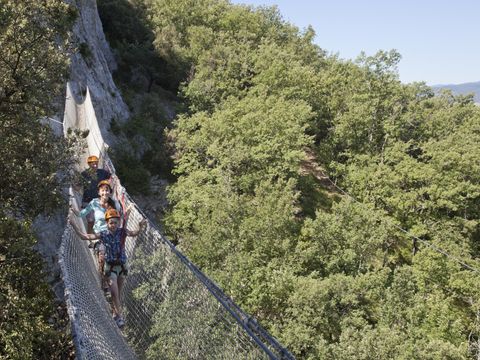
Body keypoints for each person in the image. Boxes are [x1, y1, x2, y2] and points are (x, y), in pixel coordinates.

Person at [69, 208, 147, 328]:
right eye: (111, 223)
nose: (113, 225)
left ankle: (115, 313)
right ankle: (120, 318)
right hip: (110, 268)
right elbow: (85, 237)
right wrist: (74, 225)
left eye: (115, 222)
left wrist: (140, 226)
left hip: (122, 267)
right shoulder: (103, 234)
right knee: (115, 294)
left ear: (119, 222)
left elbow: (134, 233)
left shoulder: (123, 232)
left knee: (118, 293)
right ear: (107, 223)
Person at [70, 179, 122, 294]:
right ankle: (103, 280)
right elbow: (82, 214)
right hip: (99, 235)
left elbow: (118, 219)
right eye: (103, 191)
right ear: (99, 192)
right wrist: (73, 211)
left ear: (110, 192)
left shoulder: (114, 204)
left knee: (116, 259)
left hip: (112, 234)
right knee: (102, 257)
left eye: (107, 190)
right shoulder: (94, 202)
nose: (105, 193)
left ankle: (114, 281)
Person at [79, 155, 111, 233]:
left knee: (102, 220)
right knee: (90, 221)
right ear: (89, 164)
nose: (95, 165)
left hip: (100, 201)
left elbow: (111, 177)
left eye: (96, 163)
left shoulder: (102, 172)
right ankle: (90, 240)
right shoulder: (84, 174)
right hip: (88, 201)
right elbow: (79, 185)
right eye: (93, 164)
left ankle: (101, 238)